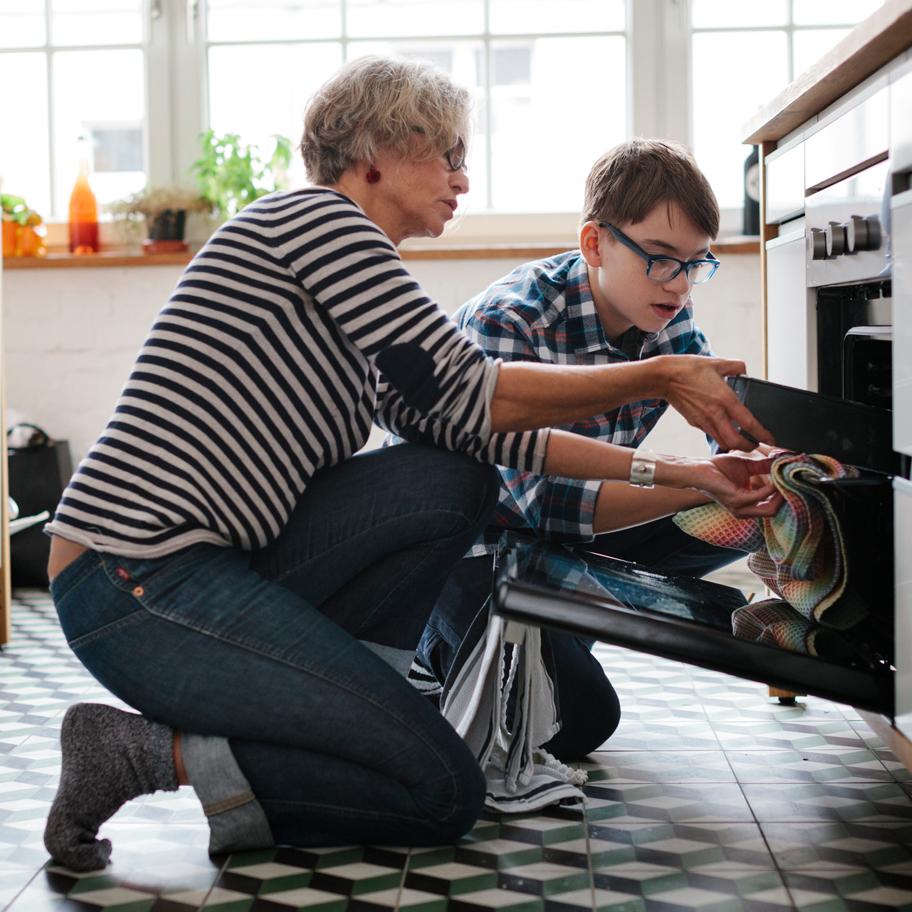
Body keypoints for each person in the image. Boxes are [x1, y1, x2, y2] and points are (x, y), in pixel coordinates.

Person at [42, 57, 777, 874]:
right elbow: (477, 392)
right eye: (448, 155)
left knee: (451, 476)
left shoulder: (361, 279)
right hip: (134, 575)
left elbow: (488, 437)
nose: (463, 178)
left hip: (217, 569)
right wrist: (657, 375)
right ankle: (139, 753)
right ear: (375, 156)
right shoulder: (321, 225)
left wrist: (688, 479)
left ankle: (367, 700)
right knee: (440, 793)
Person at [412, 139, 761, 760]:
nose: (680, 285)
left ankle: (557, 632)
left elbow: (724, 425)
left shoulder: (667, 312)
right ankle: (430, 653)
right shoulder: (509, 320)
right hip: (468, 550)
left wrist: (768, 468)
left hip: (560, 546)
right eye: (660, 258)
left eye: (695, 263)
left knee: (749, 512)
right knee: (580, 720)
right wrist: (707, 477)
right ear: (595, 243)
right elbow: (543, 502)